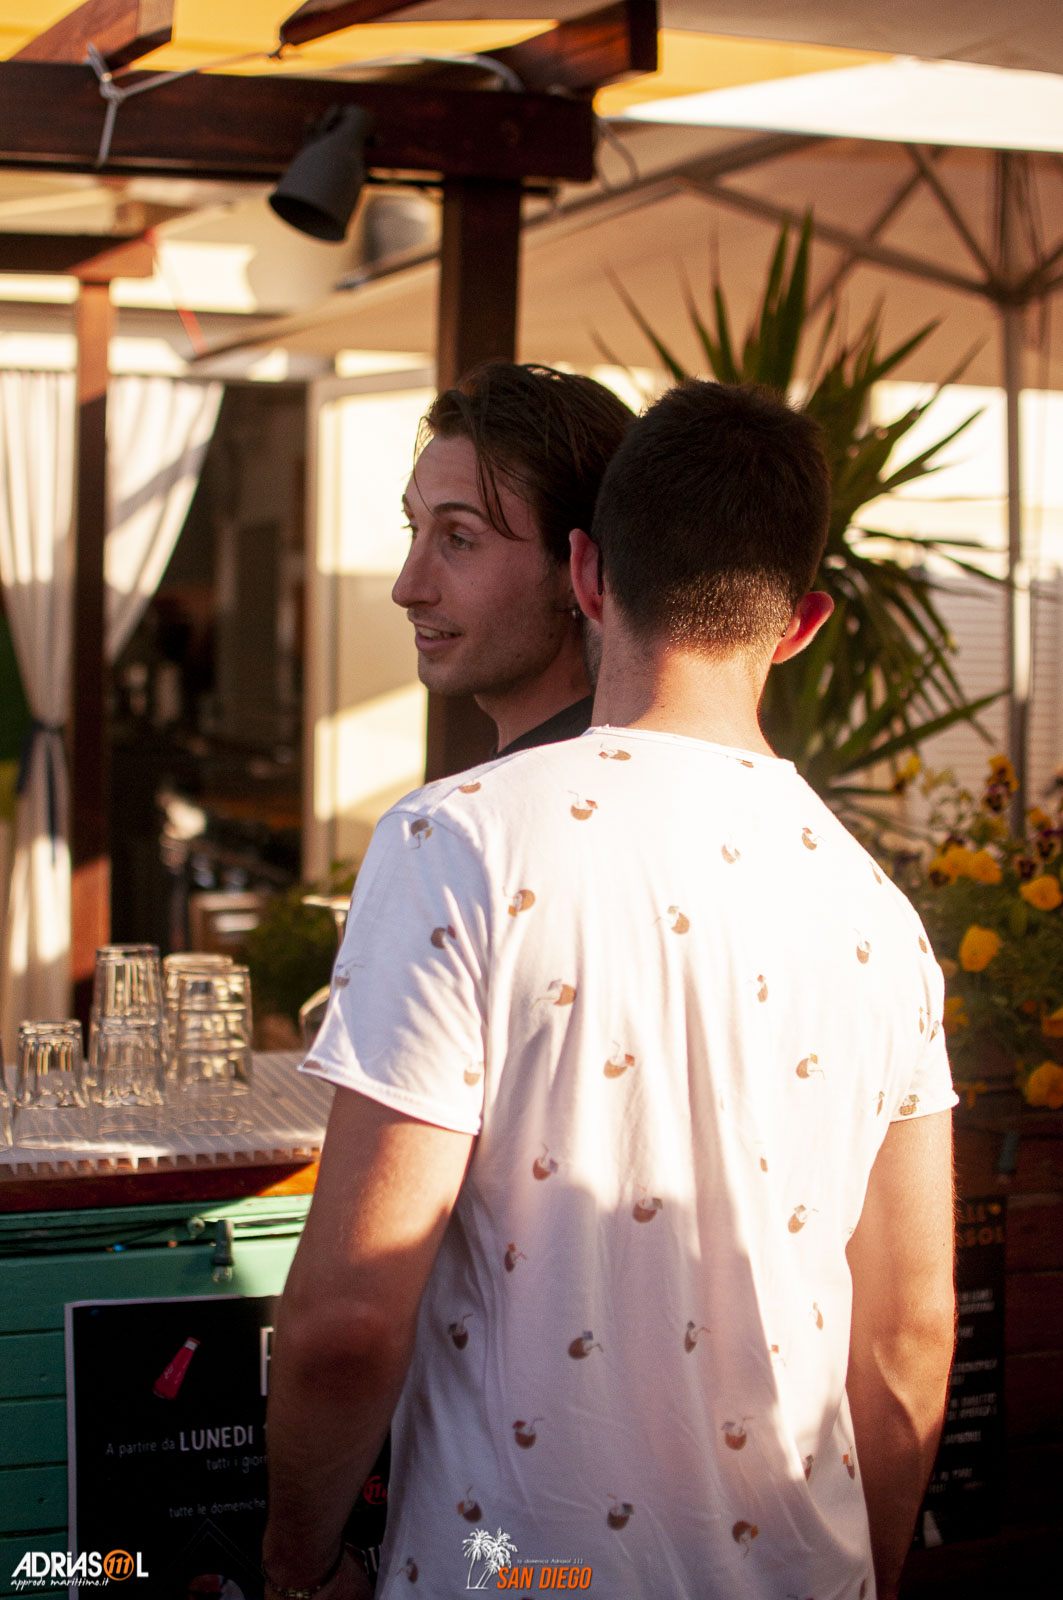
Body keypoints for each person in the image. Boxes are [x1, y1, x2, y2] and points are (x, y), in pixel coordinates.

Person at [262, 381, 957, 1600]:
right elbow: (906, 1343)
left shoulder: (457, 844)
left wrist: (293, 1563)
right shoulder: (882, 921)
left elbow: (349, 1321)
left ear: (586, 575)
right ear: (801, 625)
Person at [392, 361, 634, 755]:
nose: (405, 589)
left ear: (582, 570)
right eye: (413, 528)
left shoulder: (562, 782)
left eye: (459, 539)